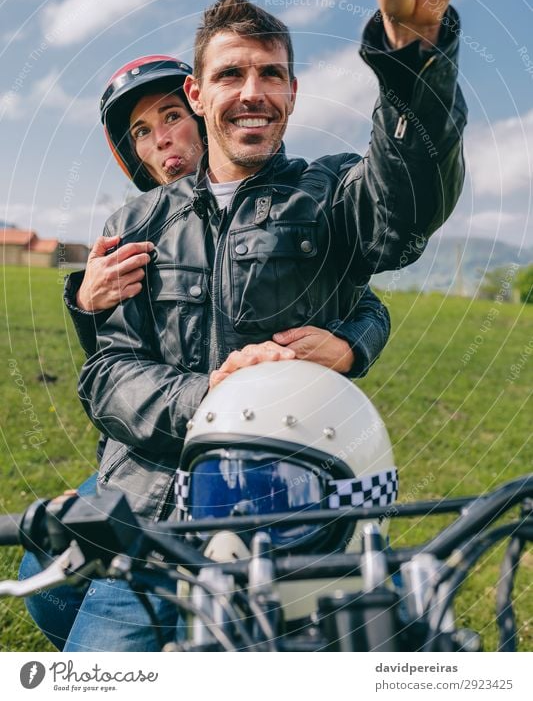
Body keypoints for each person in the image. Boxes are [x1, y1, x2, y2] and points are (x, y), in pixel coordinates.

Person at [20, 57, 390, 650]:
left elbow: (361, 300)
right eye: (142, 131)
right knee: (41, 580)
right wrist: (86, 303)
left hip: (259, 477)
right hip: (147, 471)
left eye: (171, 115)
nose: (162, 137)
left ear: (202, 110)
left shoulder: (298, 202)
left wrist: (351, 344)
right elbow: (112, 368)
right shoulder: (133, 230)